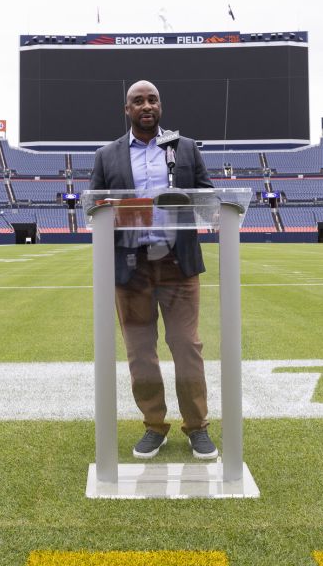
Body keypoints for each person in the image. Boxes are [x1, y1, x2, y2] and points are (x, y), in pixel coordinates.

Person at [89, 80, 217, 460]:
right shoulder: (106, 155)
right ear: (127, 109)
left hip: (178, 264)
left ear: (160, 106)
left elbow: (208, 197)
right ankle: (153, 425)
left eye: (152, 99)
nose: (146, 105)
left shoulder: (185, 148)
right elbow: (94, 207)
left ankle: (197, 427)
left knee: (187, 346)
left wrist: (194, 202)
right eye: (137, 101)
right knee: (140, 352)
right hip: (131, 266)